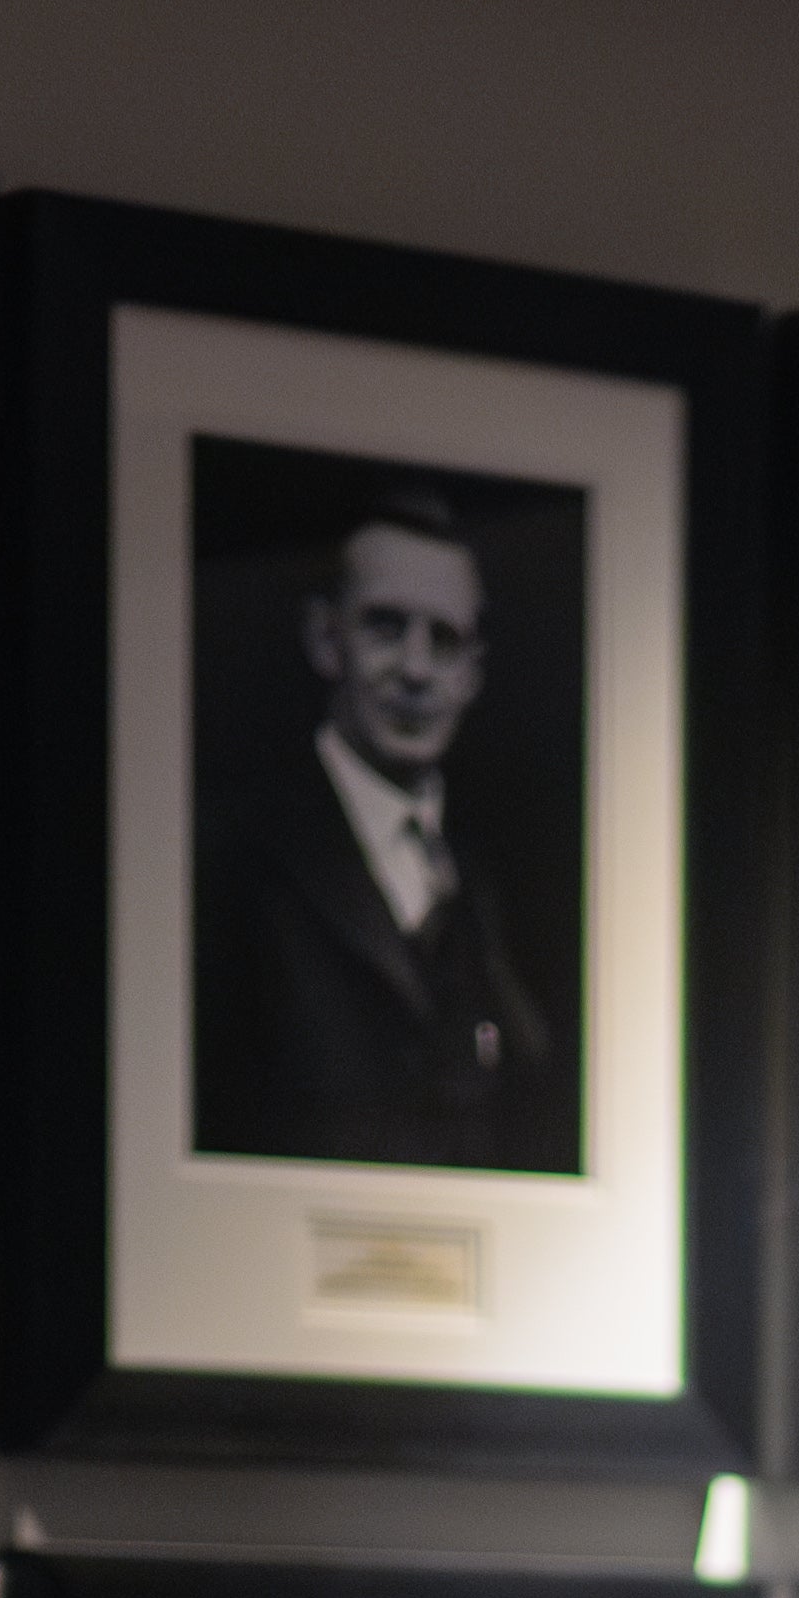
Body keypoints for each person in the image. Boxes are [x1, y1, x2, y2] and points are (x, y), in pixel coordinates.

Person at [192, 486, 559, 1176]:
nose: (416, 671)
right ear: (326, 640)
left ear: (473, 675)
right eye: (386, 627)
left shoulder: (493, 881)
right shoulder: (229, 856)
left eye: (443, 641)